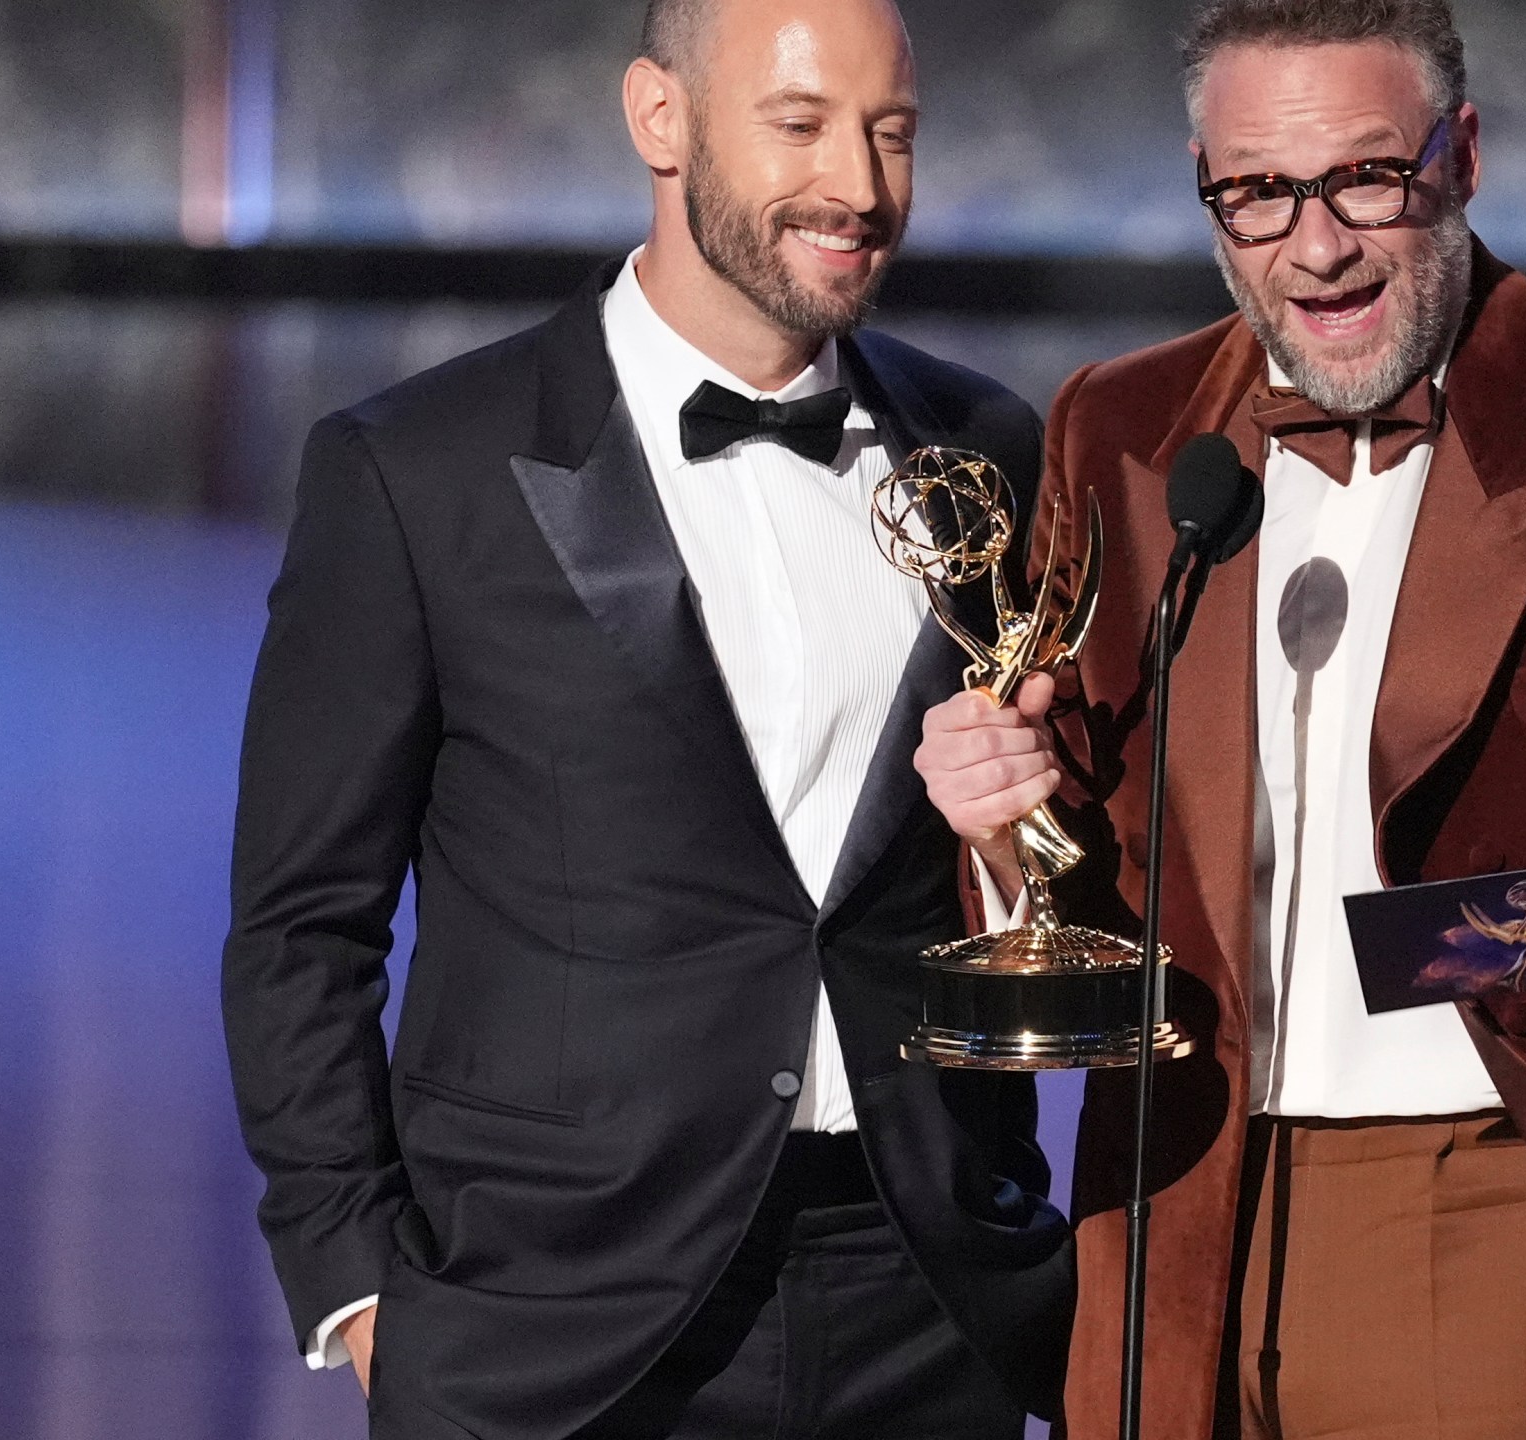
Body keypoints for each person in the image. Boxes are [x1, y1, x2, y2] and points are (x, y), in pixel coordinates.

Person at [911, 2, 1526, 1437]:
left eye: (1365, 179)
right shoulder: (1121, 432)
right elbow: (1077, 826)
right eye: (1259, 193)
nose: (1314, 247)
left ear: (1461, 157)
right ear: (1205, 181)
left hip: (1493, 1208)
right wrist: (999, 812)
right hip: (1171, 1203)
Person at [220, 1, 1070, 1435]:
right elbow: (302, 926)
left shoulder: (985, 450)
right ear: (658, 118)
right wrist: (362, 1289)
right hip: (555, 1323)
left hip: (926, 1301)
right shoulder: (414, 471)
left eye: (893, 132)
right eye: (799, 125)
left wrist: (1016, 842)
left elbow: (1039, 860)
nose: (860, 186)